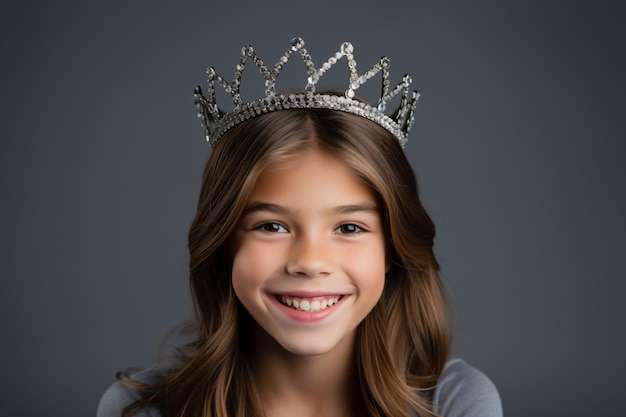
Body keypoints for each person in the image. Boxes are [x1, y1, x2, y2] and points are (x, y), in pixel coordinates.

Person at [98, 38, 502, 417]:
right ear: (224, 244)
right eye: (271, 226)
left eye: (349, 227)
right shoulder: (141, 407)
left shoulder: (455, 402)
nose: (310, 262)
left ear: (393, 250)